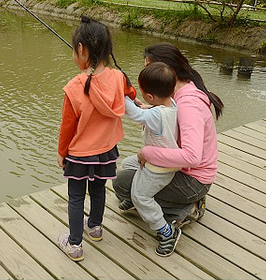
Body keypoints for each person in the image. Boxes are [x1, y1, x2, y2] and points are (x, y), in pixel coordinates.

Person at [113, 42, 223, 254]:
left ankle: (183, 210)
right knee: (127, 166)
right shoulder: (178, 93)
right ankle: (161, 204)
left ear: (168, 72)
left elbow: (192, 157)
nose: (146, 73)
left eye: (148, 68)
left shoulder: (190, 104)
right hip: (176, 168)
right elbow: (164, 113)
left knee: (125, 185)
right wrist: (144, 106)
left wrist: (147, 152)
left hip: (193, 178)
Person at [57, 16, 136, 262]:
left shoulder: (75, 86)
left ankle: (74, 244)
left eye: (74, 50)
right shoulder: (118, 78)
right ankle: (95, 227)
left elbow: (67, 126)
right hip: (106, 150)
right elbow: (130, 93)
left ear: (81, 49)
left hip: (80, 154)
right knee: (99, 189)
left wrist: (62, 153)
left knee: (76, 196)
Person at [121, 61, 181, 257]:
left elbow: (135, 114)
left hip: (158, 169)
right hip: (163, 160)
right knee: (127, 164)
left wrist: (119, 95)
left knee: (141, 196)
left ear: (149, 95)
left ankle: (166, 231)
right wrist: (145, 105)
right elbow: (153, 110)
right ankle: (134, 200)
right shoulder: (172, 105)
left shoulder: (155, 115)